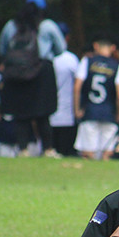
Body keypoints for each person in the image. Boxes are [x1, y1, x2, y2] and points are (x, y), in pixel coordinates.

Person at [0, 0, 67, 157]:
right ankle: (48, 149)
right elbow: (61, 49)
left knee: (21, 113)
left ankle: (23, 149)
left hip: (17, 72)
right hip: (42, 70)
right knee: (43, 113)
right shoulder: (48, 25)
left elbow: (2, 49)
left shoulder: (11, 25)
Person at [74, 35, 119, 160]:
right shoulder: (118, 66)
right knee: (106, 153)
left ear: (95, 46)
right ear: (113, 48)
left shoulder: (87, 61)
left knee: (89, 153)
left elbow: (77, 87)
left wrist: (77, 109)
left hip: (90, 110)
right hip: (109, 112)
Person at [50, 24, 80, 157]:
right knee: (65, 152)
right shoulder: (71, 59)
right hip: (67, 114)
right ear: (67, 38)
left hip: (47, 114)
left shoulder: (44, 57)